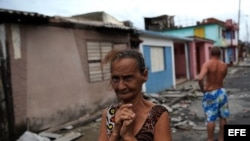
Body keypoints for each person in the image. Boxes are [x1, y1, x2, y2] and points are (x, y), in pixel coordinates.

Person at [98, 49, 172, 141]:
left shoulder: (157, 115)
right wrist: (116, 132)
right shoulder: (109, 114)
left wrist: (129, 137)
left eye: (128, 78)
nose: (121, 86)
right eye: (116, 78)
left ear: (144, 75)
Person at [197, 47, 230, 141]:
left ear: (210, 53)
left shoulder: (207, 64)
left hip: (211, 92)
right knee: (223, 117)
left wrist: (202, 89)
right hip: (221, 92)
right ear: (220, 54)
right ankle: (221, 138)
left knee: (211, 118)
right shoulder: (224, 65)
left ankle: (210, 139)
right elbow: (223, 77)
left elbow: (200, 78)